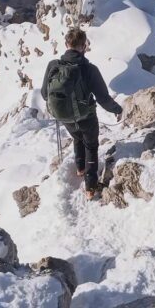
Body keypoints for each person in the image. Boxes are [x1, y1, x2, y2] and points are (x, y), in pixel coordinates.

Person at [42, 28, 123, 198]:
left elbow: (44, 93)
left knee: (77, 137)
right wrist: (118, 109)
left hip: (65, 117)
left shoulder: (53, 66)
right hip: (87, 117)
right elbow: (103, 98)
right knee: (91, 146)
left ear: (66, 44)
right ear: (84, 46)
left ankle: (80, 168)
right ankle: (90, 187)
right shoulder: (90, 69)